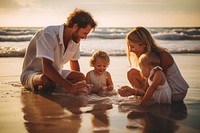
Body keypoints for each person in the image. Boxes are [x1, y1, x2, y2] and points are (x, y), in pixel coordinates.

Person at [20, 8, 97, 94]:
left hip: (57, 73)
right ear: (75, 27)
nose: (85, 37)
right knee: (46, 80)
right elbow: (47, 68)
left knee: (80, 77)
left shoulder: (75, 39)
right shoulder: (48, 34)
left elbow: (74, 62)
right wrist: (70, 87)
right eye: (85, 33)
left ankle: (55, 88)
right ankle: (50, 88)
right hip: (33, 74)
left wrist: (80, 85)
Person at [118, 26, 189, 102]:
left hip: (175, 92)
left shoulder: (163, 56)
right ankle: (142, 97)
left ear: (143, 44)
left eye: (132, 46)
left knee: (136, 77)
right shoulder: (146, 57)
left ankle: (144, 98)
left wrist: (134, 91)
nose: (130, 50)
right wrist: (133, 91)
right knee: (132, 73)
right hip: (160, 89)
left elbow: (157, 83)